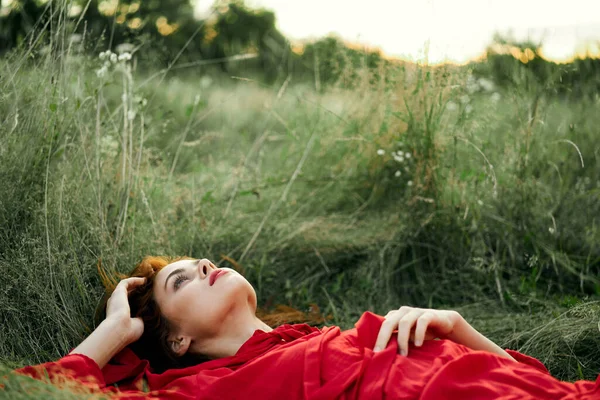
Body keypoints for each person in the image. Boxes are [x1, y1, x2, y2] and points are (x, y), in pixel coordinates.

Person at [14, 256, 600, 399]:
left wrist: (457, 326)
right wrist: (116, 330)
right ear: (176, 340)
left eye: (198, 262)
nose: (203, 266)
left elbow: (533, 378)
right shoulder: (204, 389)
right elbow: (33, 391)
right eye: (181, 282)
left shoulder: (312, 339)